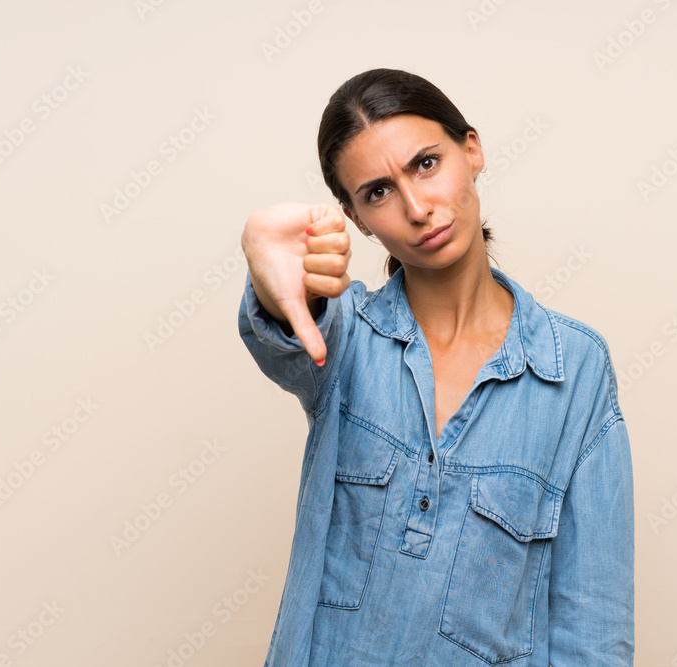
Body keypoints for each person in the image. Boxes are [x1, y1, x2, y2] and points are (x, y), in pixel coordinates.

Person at [238, 68, 634, 666]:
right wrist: (275, 287)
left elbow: (594, 625)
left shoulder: (572, 367)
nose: (418, 207)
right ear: (356, 218)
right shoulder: (348, 337)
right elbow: (288, 338)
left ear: (471, 149)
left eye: (426, 164)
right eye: (378, 192)